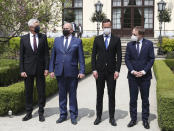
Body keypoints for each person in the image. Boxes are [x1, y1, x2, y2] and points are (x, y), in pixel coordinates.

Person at [49, 23, 85, 125]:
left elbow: (81, 58)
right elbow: (53, 57)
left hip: (73, 72)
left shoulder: (77, 41)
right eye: (64, 28)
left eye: (67, 28)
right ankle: (63, 115)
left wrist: (82, 71)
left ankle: (73, 115)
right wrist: (51, 70)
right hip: (60, 72)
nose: (65, 30)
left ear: (72, 30)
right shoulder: (57, 40)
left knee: (72, 95)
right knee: (62, 95)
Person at [92, 19, 122, 126]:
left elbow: (119, 56)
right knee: (99, 95)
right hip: (99, 72)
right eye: (105, 27)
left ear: (111, 27)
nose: (106, 28)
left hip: (111, 72)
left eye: (108, 27)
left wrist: (117, 70)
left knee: (111, 95)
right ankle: (98, 116)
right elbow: (93, 55)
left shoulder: (116, 39)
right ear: (102, 27)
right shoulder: (97, 39)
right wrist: (94, 69)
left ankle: (112, 117)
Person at [20, 19, 49, 122]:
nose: (38, 27)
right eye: (37, 26)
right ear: (31, 27)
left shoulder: (43, 37)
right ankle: (29, 113)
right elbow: (22, 56)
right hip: (28, 70)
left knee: (41, 91)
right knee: (28, 92)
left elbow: (46, 54)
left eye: (39, 26)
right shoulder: (23, 38)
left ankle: (41, 112)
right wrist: (22, 70)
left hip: (40, 69)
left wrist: (46, 68)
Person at [125, 26, 155, 129]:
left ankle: (145, 120)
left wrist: (143, 71)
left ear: (141, 35)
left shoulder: (149, 44)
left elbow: (151, 59)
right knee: (133, 99)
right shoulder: (129, 45)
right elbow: (127, 59)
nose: (132, 36)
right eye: (132, 33)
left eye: (134, 34)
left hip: (145, 77)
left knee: (145, 99)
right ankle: (133, 119)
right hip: (132, 77)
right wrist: (132, 71)